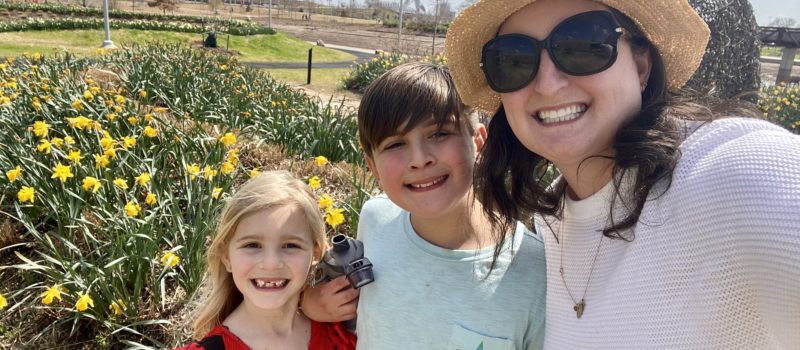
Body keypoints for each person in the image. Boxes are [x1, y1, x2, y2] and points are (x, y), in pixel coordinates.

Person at [445, 0, 800, 348]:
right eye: (514, 59)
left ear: (642, 65)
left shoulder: (736, 174)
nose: (548, 84)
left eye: (583, 44)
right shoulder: (555, 218)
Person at [302, 62, 547, 349]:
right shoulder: (375, 218)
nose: (419, 159)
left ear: (479, 142)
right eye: (395, 144)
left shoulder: (534, 272)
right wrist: (307, 301)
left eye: (439, 134)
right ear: (373, 168)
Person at [176, 171, 356, 350]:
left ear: (316, 253)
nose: (271, 264)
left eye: (290, 245)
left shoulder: (345, 333)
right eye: (252, 245)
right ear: (226, 256)